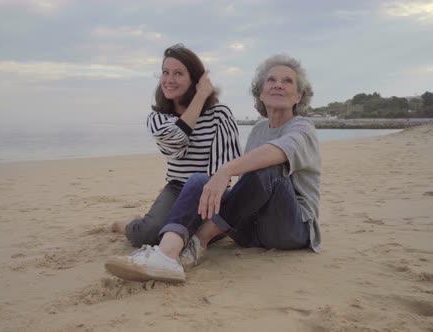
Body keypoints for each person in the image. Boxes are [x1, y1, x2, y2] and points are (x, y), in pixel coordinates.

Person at [105, 54, 321, 283]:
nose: (278, 84)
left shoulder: (303, 128)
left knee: (269, 168)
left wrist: (225, 171)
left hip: (289, 229)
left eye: (287, 81)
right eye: (271, 80)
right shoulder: (259, 129)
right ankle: (165, 256)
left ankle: (199, 242)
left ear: (299, 95)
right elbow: (249, 188)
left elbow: (274, 155)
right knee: (199, 180)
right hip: (250, 231)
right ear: (260, 92)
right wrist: (210, 182)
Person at [111, 44, 241, 248]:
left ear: (194, 79)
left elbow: (224, 164)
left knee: (200, 233)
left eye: (178, 73)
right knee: (148, 236)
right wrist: (200, 97)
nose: (169, 80)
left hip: (212, 188)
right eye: (165, 72)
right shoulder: (158, 118)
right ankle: (128, 223)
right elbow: (177, 139)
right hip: (177, 188)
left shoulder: (219, 113)